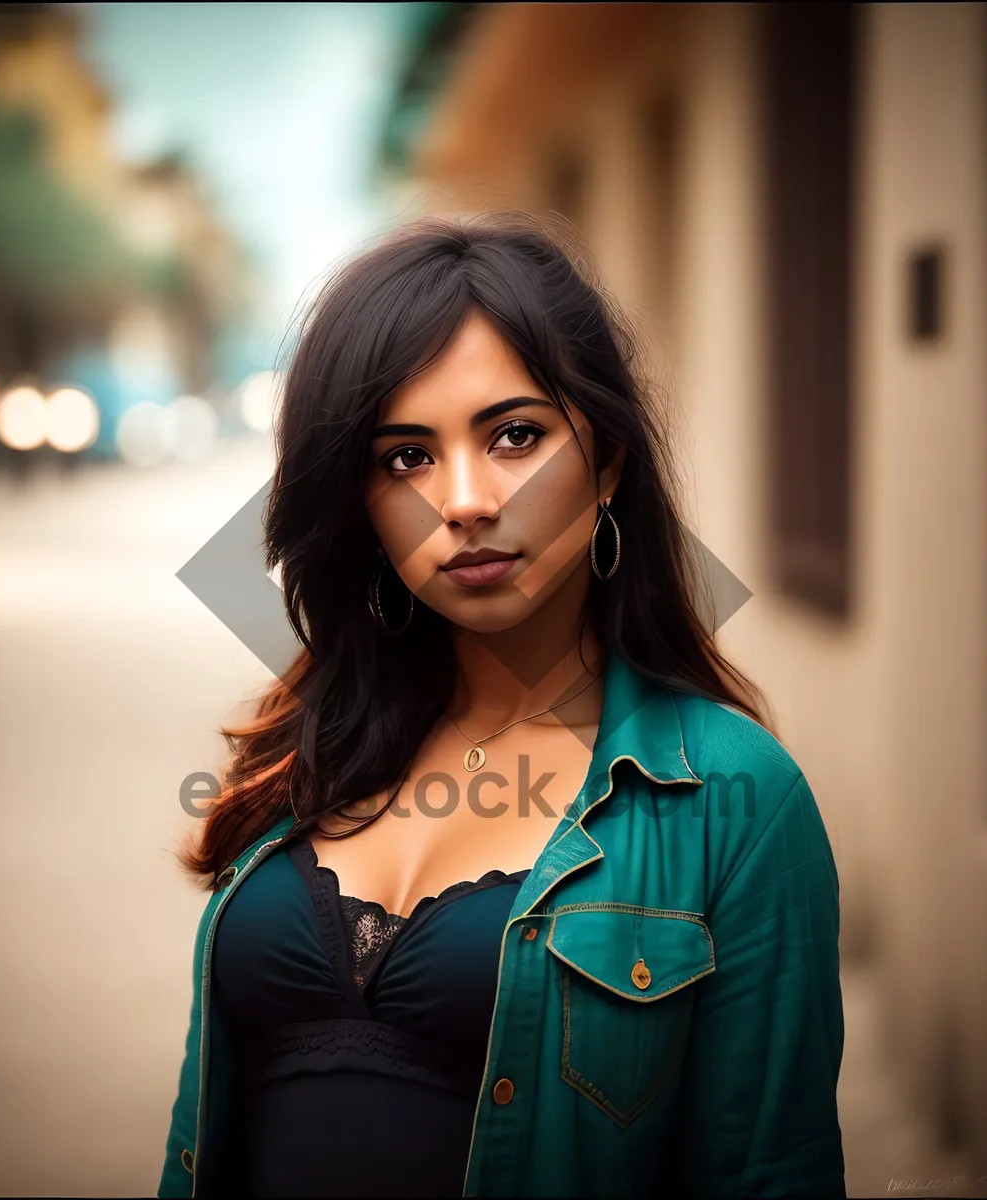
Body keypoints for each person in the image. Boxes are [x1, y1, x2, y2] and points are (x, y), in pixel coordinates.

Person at [157, 212, 846, 1199]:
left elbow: (769, 1174)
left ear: (608, 460)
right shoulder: (308, 744)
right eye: (407, 456)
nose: (466, 499)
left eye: (514, 435)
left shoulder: (734, 800)